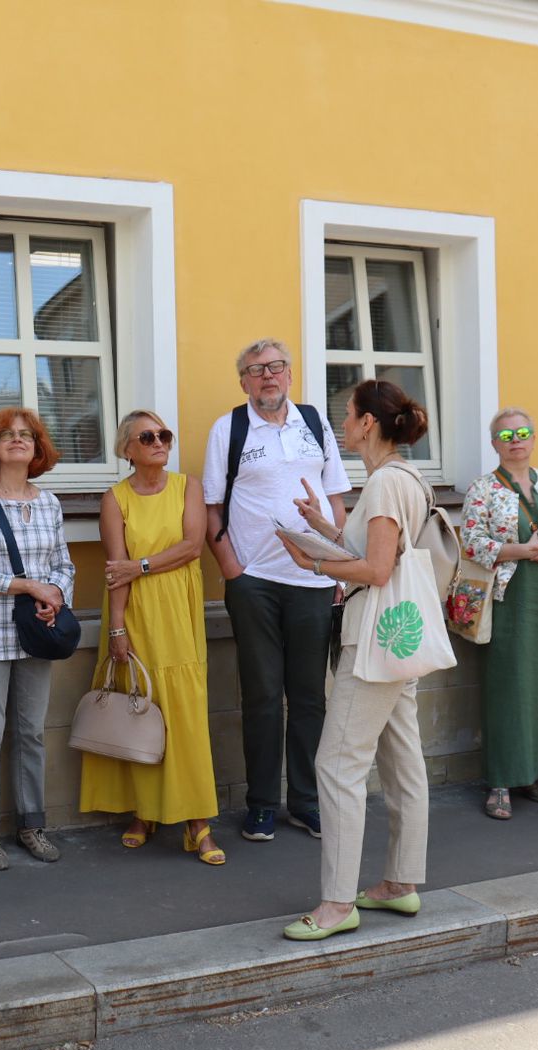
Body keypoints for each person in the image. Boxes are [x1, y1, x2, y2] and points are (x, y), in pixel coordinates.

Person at [275, 379, 431, 941]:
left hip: (373, 639)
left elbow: (376, 571)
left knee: (337, 766)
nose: (343, 423)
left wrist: (312, 565)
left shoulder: (386, 483)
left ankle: (339, 904)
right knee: (401, 759)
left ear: (369, 422)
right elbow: (375, 552)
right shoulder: (404, 478)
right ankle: (400, 883)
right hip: (400, 636)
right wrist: (323, 528)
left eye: (348, 414)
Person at [202, 338, 349, 844]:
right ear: (242, 380)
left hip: (314, 579)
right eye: (256, 370)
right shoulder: (230, 428)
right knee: (263, 695)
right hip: (256, 583)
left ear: (290, 374)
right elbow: (211, 508)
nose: (268, 376)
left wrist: (339, 567)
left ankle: (305, 802)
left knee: (309, 696)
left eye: (277, 367)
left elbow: (335, 500)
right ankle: (262, 803)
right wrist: (232, 570)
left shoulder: (313, 422)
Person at [81, 411, 223, 865]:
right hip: (135, 614)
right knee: (140, 707)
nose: (159, 442)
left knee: (185, 714)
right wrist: (117, 628)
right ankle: (144, 815)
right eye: (148, 436)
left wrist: (141, 566)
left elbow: (191, 547)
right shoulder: (115, 498)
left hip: (178, 614)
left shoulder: (189, 487)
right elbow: (114, 568)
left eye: (164, 434)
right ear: (128, 449)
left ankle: (197, 823)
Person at [0, 407, 75, 871]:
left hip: (37, 633)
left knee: (32, 733)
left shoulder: (49, 504)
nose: (18, 440)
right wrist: (28, 586)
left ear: (39, 448)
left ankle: (32, 825)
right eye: (7, 435)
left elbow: (64, 563)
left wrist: (56, 596)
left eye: (27, 435)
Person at [459, 408, 538, 821]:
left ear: (534, 439)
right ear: (494, 443)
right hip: (510, 597)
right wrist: (522, 550)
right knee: (509, 686)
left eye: (524, 432)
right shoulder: (483, 489)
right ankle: (501, 779)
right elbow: (472, 542)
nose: (517, 439)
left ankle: (535, 772)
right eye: (507, 434)